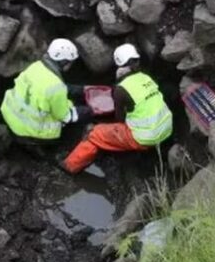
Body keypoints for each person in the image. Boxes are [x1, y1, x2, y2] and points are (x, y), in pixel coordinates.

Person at [62, 44, 173, 175]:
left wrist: (104, 125)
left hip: (145, 137)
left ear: (119, 64)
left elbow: (120, 119)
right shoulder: (146, 78)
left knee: (94, 133)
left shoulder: (121, 90)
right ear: (136, 61)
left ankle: (70, 166)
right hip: (166, 128)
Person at [1, 39, 93, 142]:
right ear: (64, 62)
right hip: (30, 133)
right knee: (79, 112)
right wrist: (89, 110)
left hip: (11, 116)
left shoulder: (35, 67)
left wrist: (79, 90)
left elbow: (45, 88)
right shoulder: (56, 87)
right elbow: (66, 116)